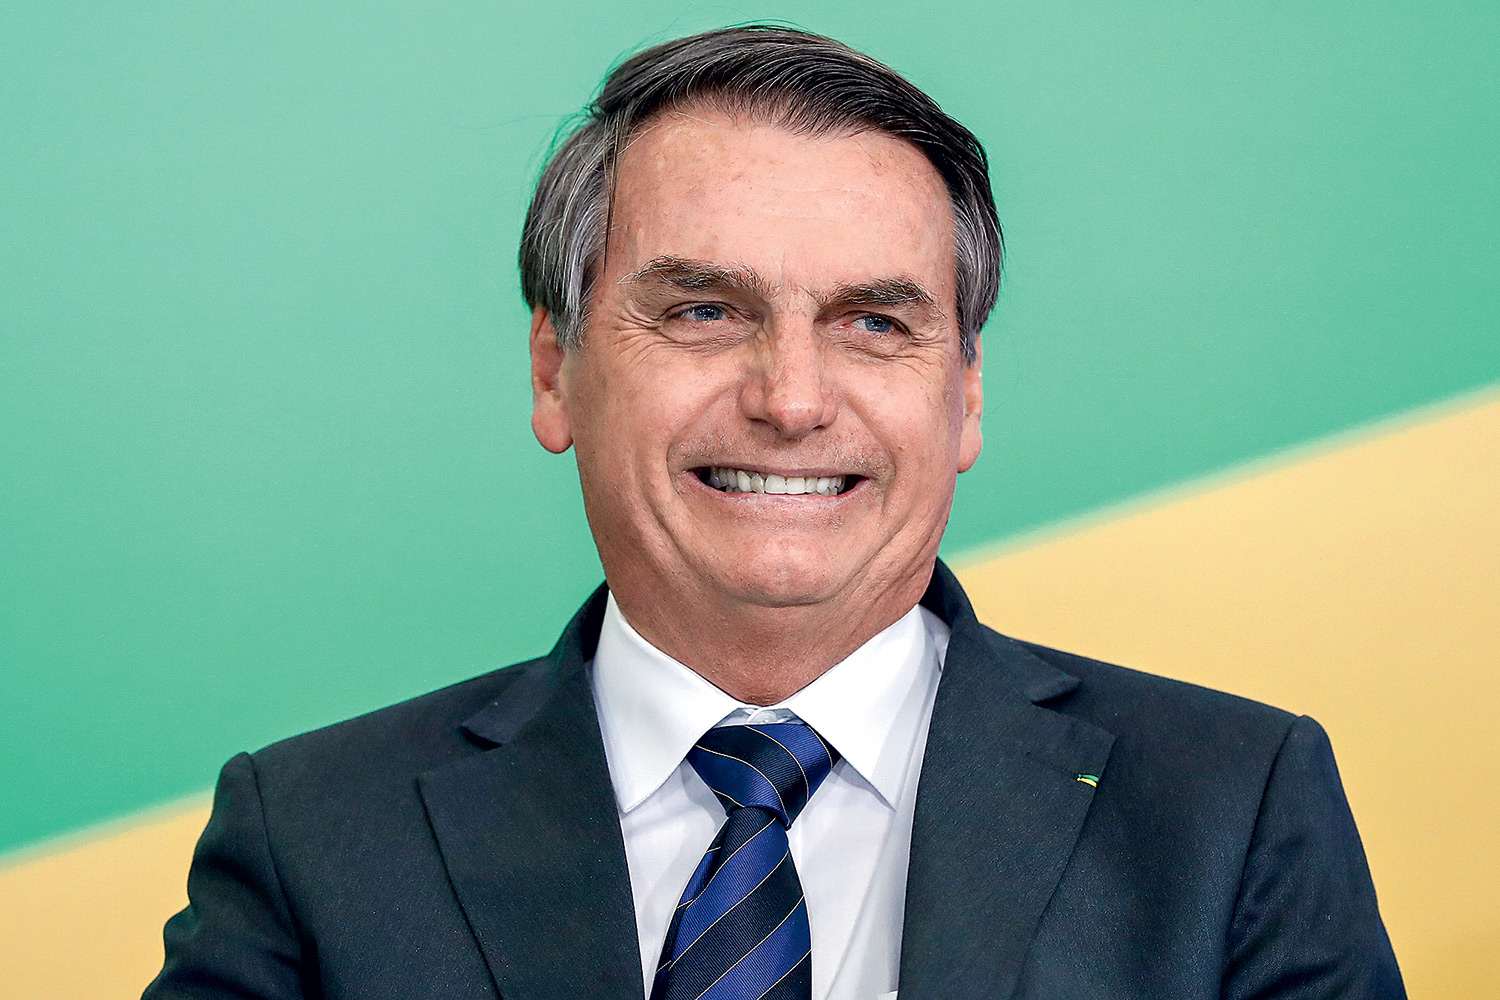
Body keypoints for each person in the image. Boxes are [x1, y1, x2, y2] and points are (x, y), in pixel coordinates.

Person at [145, 24, 1404, 1000]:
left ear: (966, 394)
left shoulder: (1231, 808)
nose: (792, 399)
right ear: (554, 370)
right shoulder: (314, 839)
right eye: (704, 311)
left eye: (875, 322)